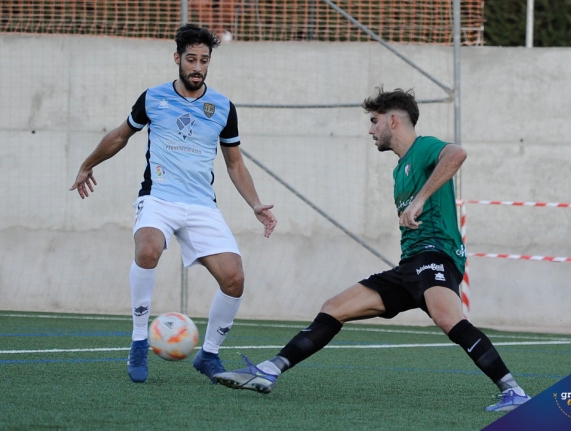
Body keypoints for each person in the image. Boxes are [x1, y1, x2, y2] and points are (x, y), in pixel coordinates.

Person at [213, 86, 530, 412]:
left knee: (448, 317)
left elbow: (457, 154)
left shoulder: (425, 148)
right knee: (334, 306)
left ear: (393, 121)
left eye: (374, 121)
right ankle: (270, 370)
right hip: (410, 268)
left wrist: (421, 199)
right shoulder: (399, 168)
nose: (370, 129)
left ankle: (514, 391)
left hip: (436, 255)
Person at [69, 24, 276, 384]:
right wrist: (88, 164)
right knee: (148, 250)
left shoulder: (223, 107)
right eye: (191, 59)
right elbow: (120, 136)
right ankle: (137, 342)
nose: (197, 66)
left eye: (204, 60)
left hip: (201, 207)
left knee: (235, 279)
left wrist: (255, 204)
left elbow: (234, 163)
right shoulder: (153, 98)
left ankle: (208, 354)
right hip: (158, 198)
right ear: (177, 58)